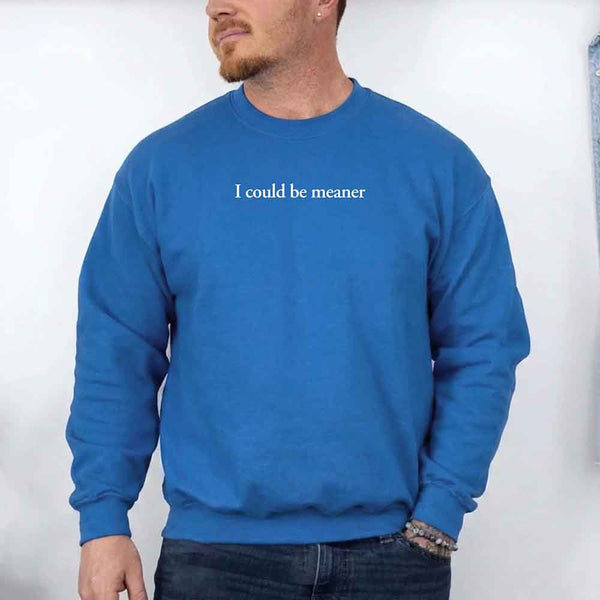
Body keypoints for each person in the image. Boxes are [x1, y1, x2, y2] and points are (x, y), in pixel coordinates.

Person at [65, 1, 531, 598]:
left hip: (393, 559)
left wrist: (441, 511)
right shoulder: (161, 168)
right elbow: (116, 351)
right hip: (215, 561)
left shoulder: (437, 164)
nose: (216, 6)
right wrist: (103, 520)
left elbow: (484, 347)